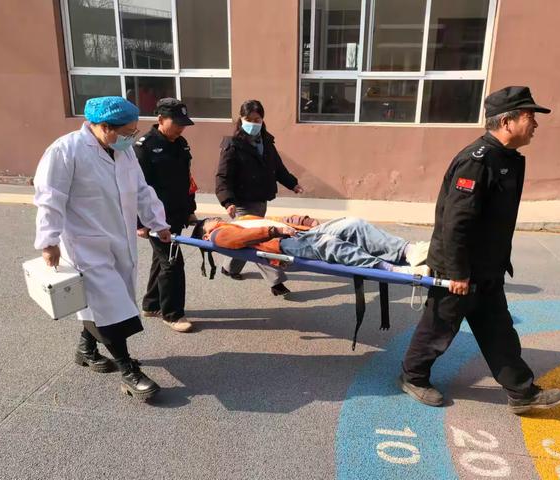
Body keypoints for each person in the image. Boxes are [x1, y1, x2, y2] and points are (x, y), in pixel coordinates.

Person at [399, 86, 560, 414]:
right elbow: (456, 222)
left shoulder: (505, 158)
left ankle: (521, 392)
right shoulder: (477, 161)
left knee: (499, 330)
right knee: (439, 328)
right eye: (529, 116)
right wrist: (457, 272)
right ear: (506, 121)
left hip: (487, 268)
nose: (535, 124)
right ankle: (413, 376)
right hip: (459, 268)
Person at [33, 96, 171, 401]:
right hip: (85, 244)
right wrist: (48, 241)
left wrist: (157, 222)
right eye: (127, 132)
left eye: (134, 132)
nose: (131, 138)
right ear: (105, 126)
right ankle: (128, 371)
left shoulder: (124, 152)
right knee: (111, 306)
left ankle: (86, 349)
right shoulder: (66, 150)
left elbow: (141, 191)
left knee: (103, 302)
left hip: (120, 240)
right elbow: (49, 197)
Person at [215, 99, 304, 297]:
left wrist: (293, 183)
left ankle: (229, 268)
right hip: (241, 202)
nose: (253, 124)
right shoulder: (233, 145)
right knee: (259, 240)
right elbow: (222, 176)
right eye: (249, 119)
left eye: (257, 119)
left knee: (245, 240)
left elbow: (278, 168)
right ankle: (276, 281)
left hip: (260, 200)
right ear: (241, 119)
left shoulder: (266, 142)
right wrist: (228, 201)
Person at [135, 98, 197, 333]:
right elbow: (136, 189)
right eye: (177, 123)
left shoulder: (181, 144)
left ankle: (151, 304)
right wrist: (140, 222)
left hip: (176, 214)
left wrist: (190, 210)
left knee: (161, 259)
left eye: (184, 124)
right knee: (172, 262)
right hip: (154, 219)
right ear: (160, 119)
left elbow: (186, 180)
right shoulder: (144, 147)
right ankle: (172, 314)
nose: (181, 128)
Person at [193, 216, 430, 275]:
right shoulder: (217, 235)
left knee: (353, 224)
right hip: (284, 244)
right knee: (329, 244)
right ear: (205, 233)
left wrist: (304, 221)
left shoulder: (241, 220)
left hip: (298, 232)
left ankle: (409, 251)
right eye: (207, 221)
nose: (212, 218)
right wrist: (275, 231)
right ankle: (395, 269)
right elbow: (238, 240)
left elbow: (278, 219)